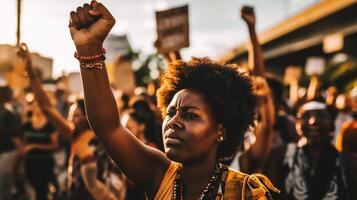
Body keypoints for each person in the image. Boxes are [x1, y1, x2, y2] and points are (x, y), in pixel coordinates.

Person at [68, 1, 279, 199]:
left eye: (190, 115)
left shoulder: (245, 192)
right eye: (170, 112)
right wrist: (90, 49)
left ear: (221, 130)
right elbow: (109, 128)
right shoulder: (159, 174)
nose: (173, 121)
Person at [17, 43, 119, 200]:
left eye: (77, 115)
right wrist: (30, 72)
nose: (72, 119)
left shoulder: (102, 138)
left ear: (88, 116)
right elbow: (47, 108)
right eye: (71, 115)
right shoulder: (73, 133)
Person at [264, 101, 349, 199]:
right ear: (298, 123)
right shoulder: (280, 155)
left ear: (332, 124)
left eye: (321, 116)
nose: (313, 121)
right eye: (306, 116)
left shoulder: (346, 162)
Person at [21, 95, 59, 200]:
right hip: (30, 163)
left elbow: (55, 146)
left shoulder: (50, 125)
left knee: (41, 192)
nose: (34, 107)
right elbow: (24, 143)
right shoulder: (27, 124)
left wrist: (34, 146)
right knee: (36, 190)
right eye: (33, 104)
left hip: (45, 163)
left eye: (37, 105)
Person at [0, 86, 23, 200]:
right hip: (6, 152)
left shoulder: (7, 112)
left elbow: (15, 135)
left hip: (7, 153)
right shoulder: (7, 111)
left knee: (4, 186)